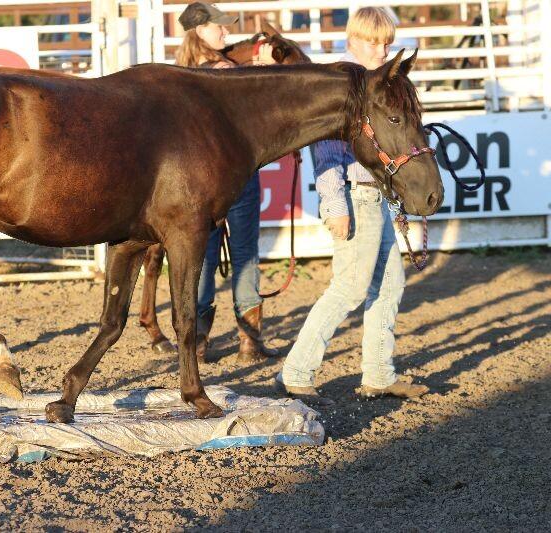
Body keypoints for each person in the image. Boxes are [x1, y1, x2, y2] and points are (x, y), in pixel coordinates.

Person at [277, 7, 429, 404]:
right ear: (354, 40)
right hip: (354, 196)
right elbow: (324, 149)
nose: (380, 50)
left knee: (390, 282)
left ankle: (379, 373)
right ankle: (296, 370)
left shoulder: (375, 83)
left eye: (386, 43)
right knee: (349, 287)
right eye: (372, 42)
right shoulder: (344, 84)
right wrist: (333, 204)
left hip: (375, 195)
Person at [176, 2, 279, 364]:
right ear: (198, 31)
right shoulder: (225, 71)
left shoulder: (182, 75)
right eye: (217, 26)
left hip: (196, 180)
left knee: (201, 257)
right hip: (237, 175)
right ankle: (248, 340)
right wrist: (265, 70)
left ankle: (199, 342)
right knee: (245, 252)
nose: (224, 31)